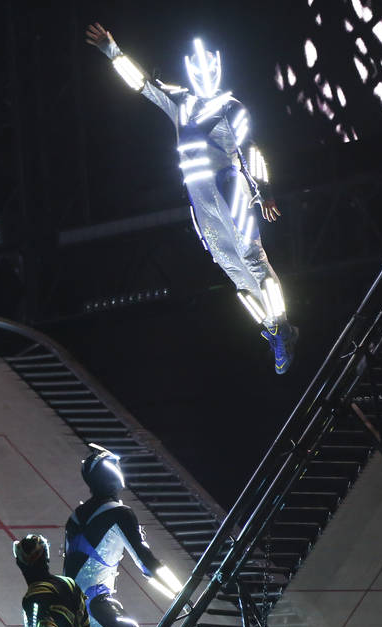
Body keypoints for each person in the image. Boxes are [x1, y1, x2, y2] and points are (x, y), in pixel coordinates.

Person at [86, 23, 299, 373]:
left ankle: (282, 324)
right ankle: (273, 329)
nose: (203, 75)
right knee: (231, 265)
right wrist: (112, 51)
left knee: (252, 258)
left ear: (216, 69)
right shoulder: (180, 103)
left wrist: (265, 191)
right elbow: (142, 85)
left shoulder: (231, 107)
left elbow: (251, 150)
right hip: (201, 198)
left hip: (231, 189)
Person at [63, 444, 183, 627]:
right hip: (96, 604)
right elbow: (145, 562)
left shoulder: (74, 517)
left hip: (67, 606)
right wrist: (179, 592)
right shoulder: (119, 513)